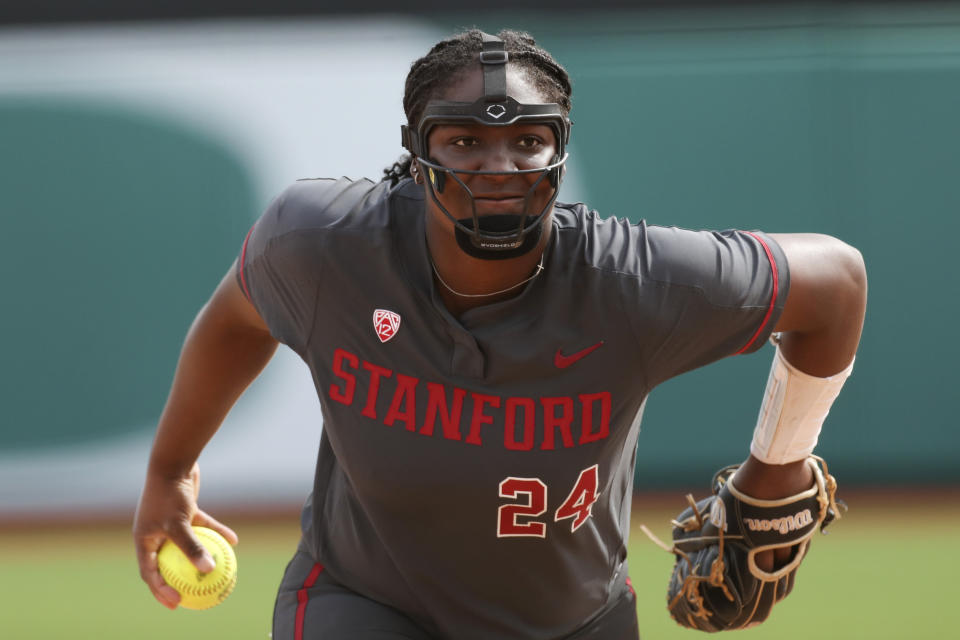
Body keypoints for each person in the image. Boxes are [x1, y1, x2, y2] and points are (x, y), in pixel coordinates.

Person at [133, 29, 867, 640]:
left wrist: (778, 471)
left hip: (575, 618)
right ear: (416, 152)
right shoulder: (324, 246)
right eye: (463, 140)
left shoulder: (632, 282)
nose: (499, 165)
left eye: (528, 139)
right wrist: (171, 471)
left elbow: (836, 284)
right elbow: (235, 317)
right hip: (366, 602)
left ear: (560, 149)